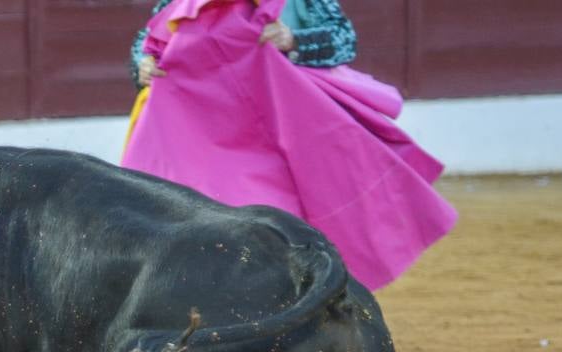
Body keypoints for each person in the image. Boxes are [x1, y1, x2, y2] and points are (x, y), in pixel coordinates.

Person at [121, 0, 456, 291]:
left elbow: (343, 39)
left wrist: (294, 38)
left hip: (291, 122)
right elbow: (147, 40)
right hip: (214, 129)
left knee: (292, 221)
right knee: (218, 218)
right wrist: (144, 63)